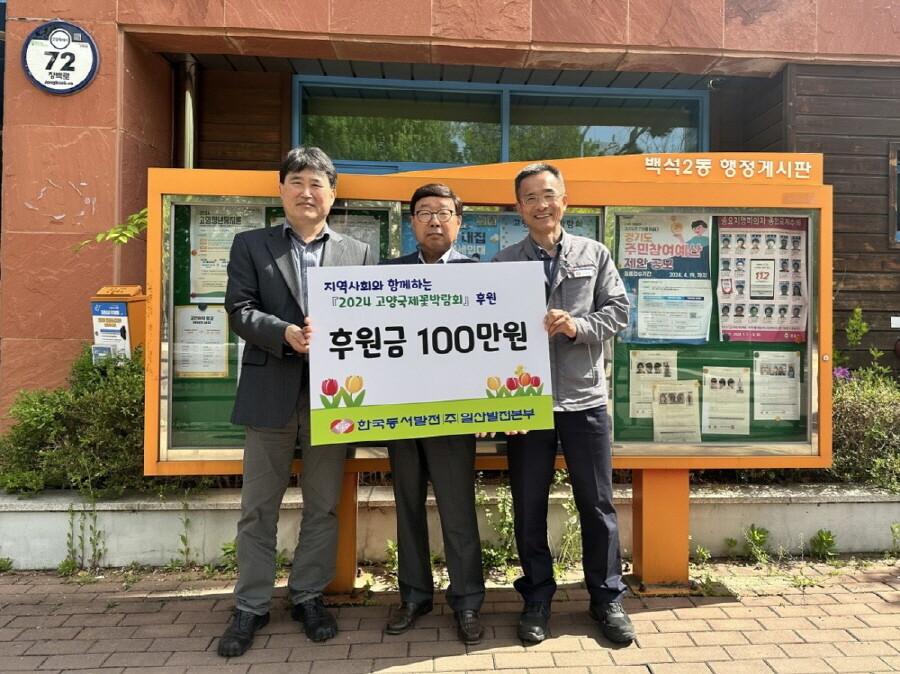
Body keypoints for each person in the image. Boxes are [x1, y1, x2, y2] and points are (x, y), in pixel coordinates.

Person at [218, 146, 373, 658]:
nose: (307, 192)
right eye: (297, 182)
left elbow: (371, 322)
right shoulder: (251, 244)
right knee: (258, 507)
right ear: (282, 189)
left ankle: (308, 595)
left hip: (336, 397)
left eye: (317, 184)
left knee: (323, 504)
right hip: (271, 390)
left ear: (333, 194)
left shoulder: (358, 252)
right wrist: (283, 333)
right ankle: (251, 604)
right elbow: (239, 310)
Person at [493, 163, 634, 645]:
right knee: (528, 504)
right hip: (525, 402)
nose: (541, 204)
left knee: (597, 503)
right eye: (530, 197)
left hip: (584, 398)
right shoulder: (504, 262)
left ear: (564, 201)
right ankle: (536, 598)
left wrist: (578, 326)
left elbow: (619, 311)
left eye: (549, 194)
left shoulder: (594, 253)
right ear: (519, 208)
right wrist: (497, 404)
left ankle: (606, 597)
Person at [380, 184, 486, 645]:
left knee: (457, 509)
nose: (435, 221)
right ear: (412, 223)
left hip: (454, 415)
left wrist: (491, 406)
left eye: (444, 212)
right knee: (406, 507)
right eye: (424, 213)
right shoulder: (387, 275)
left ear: (459, 222)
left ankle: (467, 601)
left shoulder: (480, 276)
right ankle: (414, 596)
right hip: (400, 411)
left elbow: (490, 347)